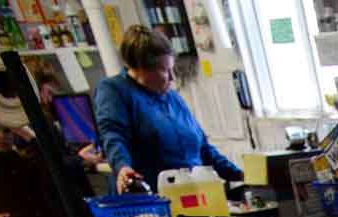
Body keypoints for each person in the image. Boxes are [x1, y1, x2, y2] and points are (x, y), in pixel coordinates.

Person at [95, 25, 243, 194]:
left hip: (195, 195)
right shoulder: (115, 91)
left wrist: (240, 174)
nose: (173, 78)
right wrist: (123, 167)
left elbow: (203, 148)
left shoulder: (172, 97)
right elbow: (113, 135)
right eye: (165, 70)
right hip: (154, 202)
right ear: (141, 69)